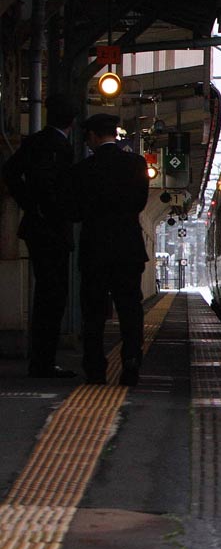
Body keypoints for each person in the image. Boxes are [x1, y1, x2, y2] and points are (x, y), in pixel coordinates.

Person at [2, 93, 79, 379]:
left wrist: (28, 204)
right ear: (72, 121)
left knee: (46, 295)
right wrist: (46, 209)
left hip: (36, 228)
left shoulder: (34, 141)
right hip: (53, 230)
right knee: (53, 297)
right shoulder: (60, 147)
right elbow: (55, 188)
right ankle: (43, 363)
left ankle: (42, 360)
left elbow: (10, 171)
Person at [71, 112, 150, 386]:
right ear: (114, 134)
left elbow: (76, 211)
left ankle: (95, 368)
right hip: (128, 248)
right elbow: (140, 203)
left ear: (93, 136)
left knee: (93, 312)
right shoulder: (136, 164)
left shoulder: (83, 170)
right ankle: (130, 362)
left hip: (94, 249)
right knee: (130, 307)